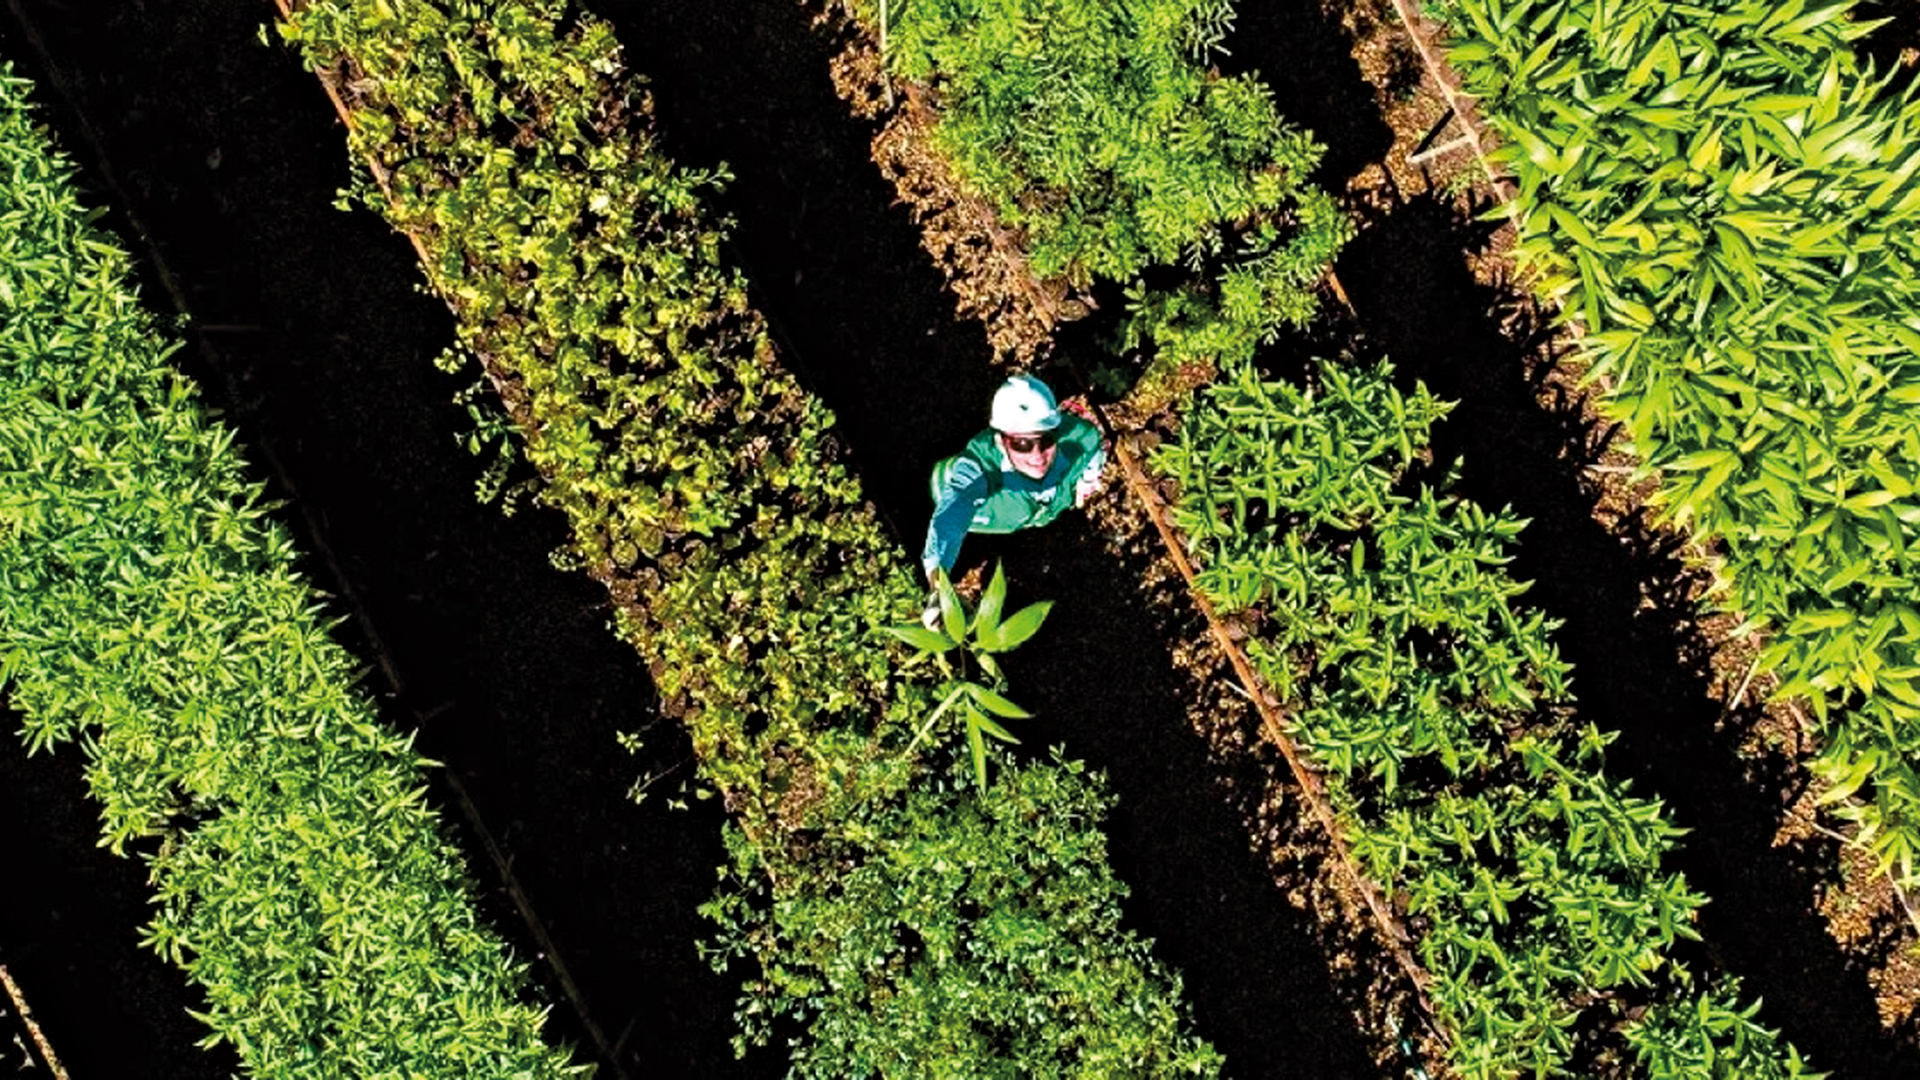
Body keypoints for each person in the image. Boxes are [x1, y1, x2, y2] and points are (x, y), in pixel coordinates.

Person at [920, 374, 1107, 627]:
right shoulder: (978, 466)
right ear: (1001, 441)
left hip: (1022, 516)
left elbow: (1093, 451)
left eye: (1046, 440)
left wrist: (1085, 485)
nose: (1037, 456)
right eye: (1022, 444)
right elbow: (952, 516)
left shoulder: (1080, 438)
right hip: (963, 510)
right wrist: (938, 585)